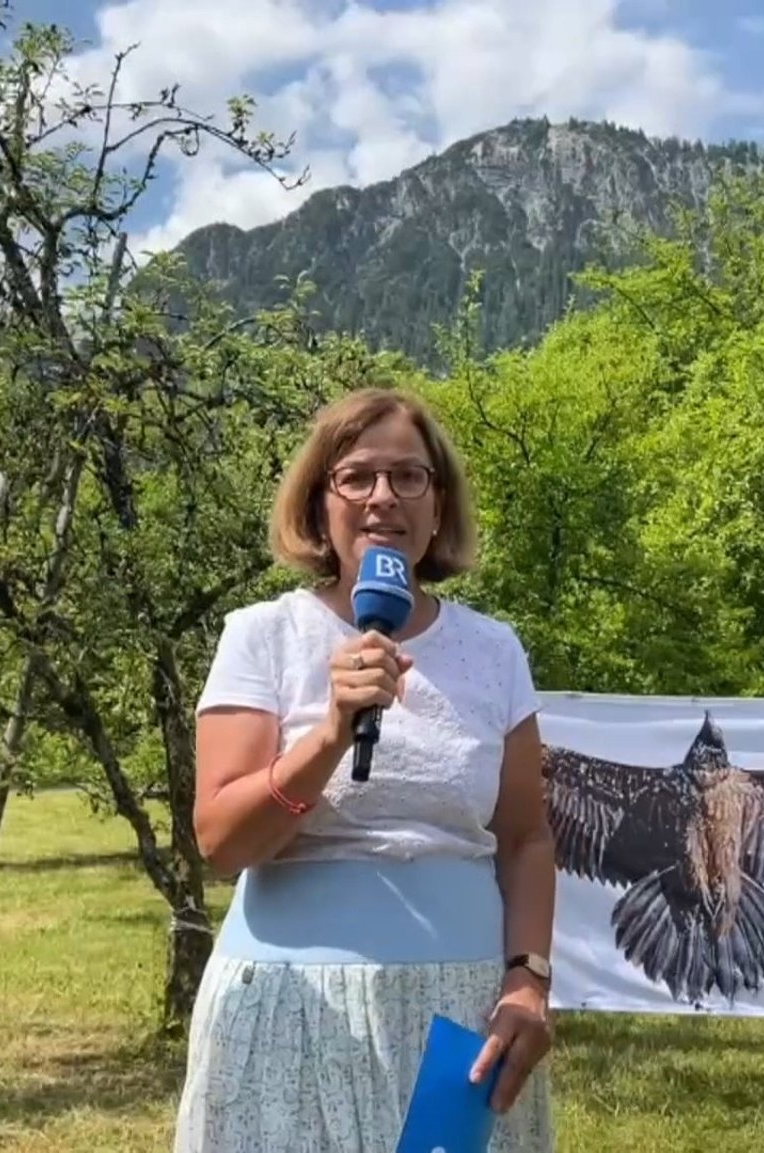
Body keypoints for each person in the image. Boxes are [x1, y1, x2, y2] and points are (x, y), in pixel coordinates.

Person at [172, 386, 558, 1151]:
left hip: (461, 1020)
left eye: (409, 476)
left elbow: (526, 839)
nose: (383, 496)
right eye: (357, 476)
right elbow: (221, 842)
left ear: (438, 503)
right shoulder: (262, 637)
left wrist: (528, 982)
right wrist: (329, 735)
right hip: (291, 1010)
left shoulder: (494, 650)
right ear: (320, 503)